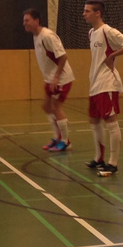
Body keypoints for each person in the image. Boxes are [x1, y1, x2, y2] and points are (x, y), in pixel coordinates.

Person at [82, 0, 123, 176]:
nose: (84, 14)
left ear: (97, 13)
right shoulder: (91, 33)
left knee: (110, 121)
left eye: (87, 11)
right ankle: (99, 158)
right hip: (95, 83)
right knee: (94, 120)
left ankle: (113, 164)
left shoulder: (108, 31)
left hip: (106, 83)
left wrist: (113, 55)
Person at [22, 8, 75, 151]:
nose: (24, 23)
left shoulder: (48, 36)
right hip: (50, 79)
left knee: (56, 108)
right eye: (24, 21)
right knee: (46, 107)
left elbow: (63, 56)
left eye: (27, 20)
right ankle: (57, 137)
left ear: (36, 21)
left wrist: (56, 77)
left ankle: (65, 141)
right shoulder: (36, 36)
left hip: (61, 79)